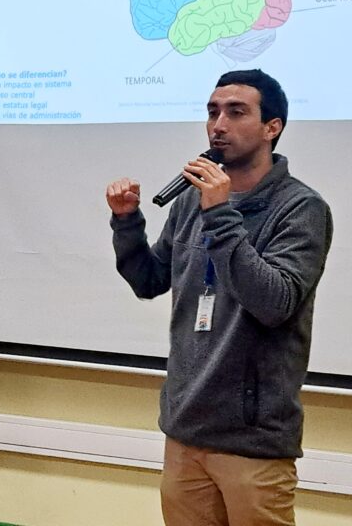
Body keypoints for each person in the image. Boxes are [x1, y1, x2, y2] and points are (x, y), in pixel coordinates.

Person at [105, 69, 332, 526]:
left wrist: (222, 215)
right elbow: (149, 280)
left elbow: (274, 302)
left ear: (273, 127)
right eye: (212, 112)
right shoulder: (191, 201)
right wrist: (127, 223)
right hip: (186, 430)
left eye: (236, 112)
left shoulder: (301, 209)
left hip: (252, 439)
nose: (218, 125)